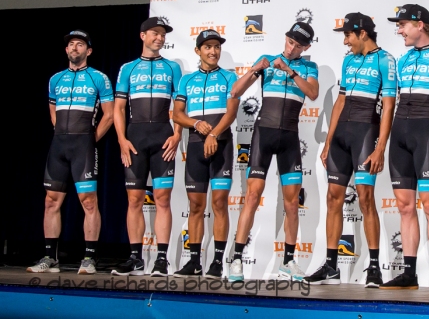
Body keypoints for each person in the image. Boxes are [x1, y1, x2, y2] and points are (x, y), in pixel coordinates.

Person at [305, 13, 396, 287]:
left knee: (366, 199)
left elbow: (389, 106)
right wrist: (329, 141)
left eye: (348, 35)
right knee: (334, 198)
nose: (345, 42)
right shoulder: (348, 60)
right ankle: (331, 266)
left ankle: (375, 268)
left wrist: (380, 148)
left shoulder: (385, 60)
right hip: (342, 136)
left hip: (366, 133)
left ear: (363, 33)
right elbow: (340, 101)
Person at [228, 22, 319, 282]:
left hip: (289, 138)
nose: (291, 48)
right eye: (290, 42)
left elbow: (312, 93)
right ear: (286, 38)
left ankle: (289, 261)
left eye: (298, 45)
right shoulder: (266, 60)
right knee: (252, 197)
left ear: (306, 47)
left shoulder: (308, 67)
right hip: (263, 135)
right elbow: (235, 91)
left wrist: (290, 72)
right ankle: (236, 260)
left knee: (292, 203)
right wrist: (255, 69)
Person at [379, 4, 429, 291]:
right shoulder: (401, 60)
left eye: (402, 25)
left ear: (420, 25)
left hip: (427, 132)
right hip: (400, 132)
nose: (399, 30)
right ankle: (408, 273)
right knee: (404, 207)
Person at [28, 30, 114, 275]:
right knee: (50, 201)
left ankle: (89, 257)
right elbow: (52, 108)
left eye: (80, 44)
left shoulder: (99, 77)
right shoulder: (56, 79)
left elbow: (109, 114)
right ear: (66, 50)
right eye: (71, 45)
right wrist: (60, 131)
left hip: (83, 146)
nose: (74, 48)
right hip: (59, 145)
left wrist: (90, 139)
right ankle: (49, 256)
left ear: (88, 51)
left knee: (88, 202)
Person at [111, 17, 183, 276]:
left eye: (163, 34)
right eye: (155, 33)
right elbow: (118, 108)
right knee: (134, 200)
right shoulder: (127, 68)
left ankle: (162, 259)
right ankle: (135, 258)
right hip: (135, 138)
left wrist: (177, 135)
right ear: (143, 35)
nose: (160, 38)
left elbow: (180, 106)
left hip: (163, 136)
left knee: (162, 198)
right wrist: (121, 139)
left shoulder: (173, 67)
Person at [172, 29, 239, 279]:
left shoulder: (229, 77)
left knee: (220, 203)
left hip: (221, 144)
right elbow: (177, 114)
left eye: (217, 47)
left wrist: (212, 134)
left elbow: (231, 114)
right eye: (208, 47)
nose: (213, 51)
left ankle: (218, 262)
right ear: (198, 51)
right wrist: (195, 123)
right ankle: (194, 262)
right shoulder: (186, 80)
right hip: (195, 147)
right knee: (196, 206)